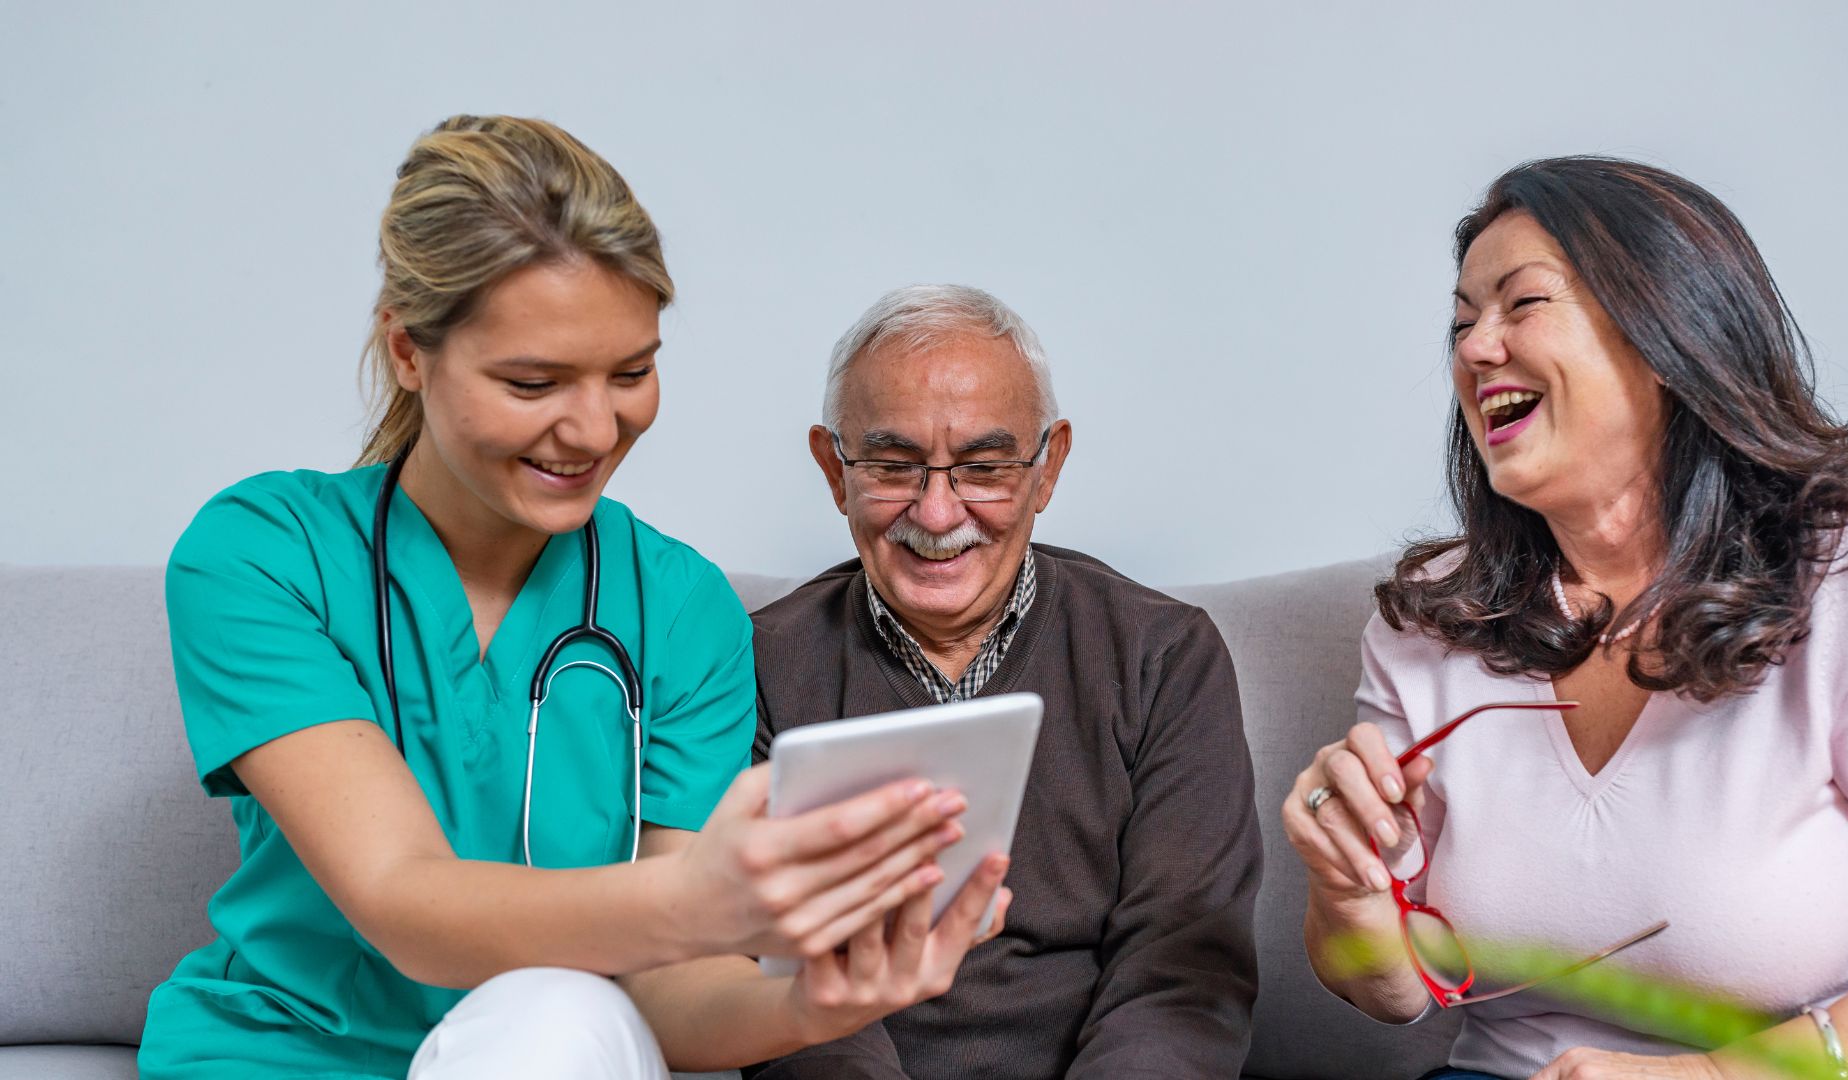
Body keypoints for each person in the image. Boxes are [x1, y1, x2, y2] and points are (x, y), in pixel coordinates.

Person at [138, 116, 1008, 1080]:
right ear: (409, 351)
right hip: (277, 1060)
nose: (595, 430)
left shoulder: (680, 610)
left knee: (556, 1007)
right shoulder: (263, 554)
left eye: (632, 372)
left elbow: (673, 994)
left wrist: (810, 1004)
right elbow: (400, 899)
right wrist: (700, 901)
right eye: (534, 381)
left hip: (550, 1053)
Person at [1282, 156, 1848, 1080]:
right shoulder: (1435, 619)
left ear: (1667, 331)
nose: (1475, 349)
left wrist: (1713, 1076)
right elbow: (1395, 990)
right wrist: (1346, 893)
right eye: (1461, 323)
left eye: (1522, 304)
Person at [747, 285, 1261, 1080]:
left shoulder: (1165, 657)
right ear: (834, 468)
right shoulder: (756, 667)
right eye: (893, 466)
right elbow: (780, 975)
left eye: (983, 468)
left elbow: (1181, 975)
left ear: (1047, 467)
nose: (937, 513)